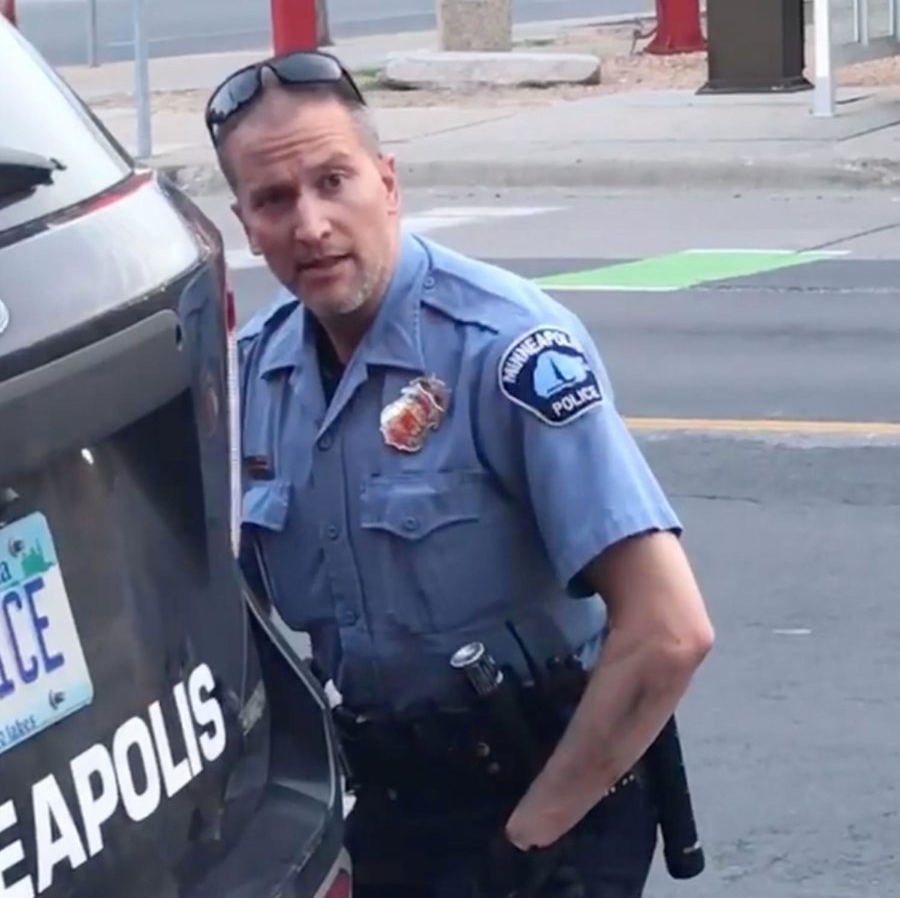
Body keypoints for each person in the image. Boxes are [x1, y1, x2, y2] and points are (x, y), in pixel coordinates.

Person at [205, 50, 715, 898]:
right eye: (275, 200)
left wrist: (529, 841)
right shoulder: (257, 378)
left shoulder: (506, 349)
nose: (311, 224)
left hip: (547, 808)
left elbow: (669, 631)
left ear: (388, 182)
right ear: (244, 222)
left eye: (335, 181)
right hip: (393, 808)